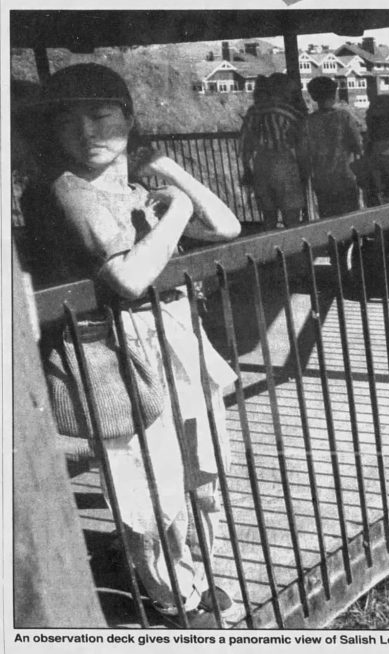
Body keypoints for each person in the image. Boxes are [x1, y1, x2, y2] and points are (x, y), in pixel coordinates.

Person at [37, 63, 243, 621]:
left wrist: (168, 169)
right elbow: (128, 279)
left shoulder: (131, 188)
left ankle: (191, 575)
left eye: (102, 118)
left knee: (200, 465)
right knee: (148, 481)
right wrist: (174, 212)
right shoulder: (69, 191)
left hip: (173, 337)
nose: (87, 134)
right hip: (121, 349)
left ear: (129, 119)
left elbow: (227, 228)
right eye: (70, 123)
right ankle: (173, 594)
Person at [239, 72, 307, 229]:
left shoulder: (253, 111)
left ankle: (272, 250)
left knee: (269, 217)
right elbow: (302, 139)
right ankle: (292, 250)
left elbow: (244, 143)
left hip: (260, 164)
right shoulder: (288, 111)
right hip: (284, 163)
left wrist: (246, 167)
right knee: (291, 217)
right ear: (282, 90)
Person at [304, 76, 362, 216]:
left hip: (322, 180)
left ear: (314, 97)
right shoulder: (344, 117)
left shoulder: (308, 121)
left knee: (329, 222)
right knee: (351, 220)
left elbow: (305, 151)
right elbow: (358, 145)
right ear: (333, 95)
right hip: (344, 176)